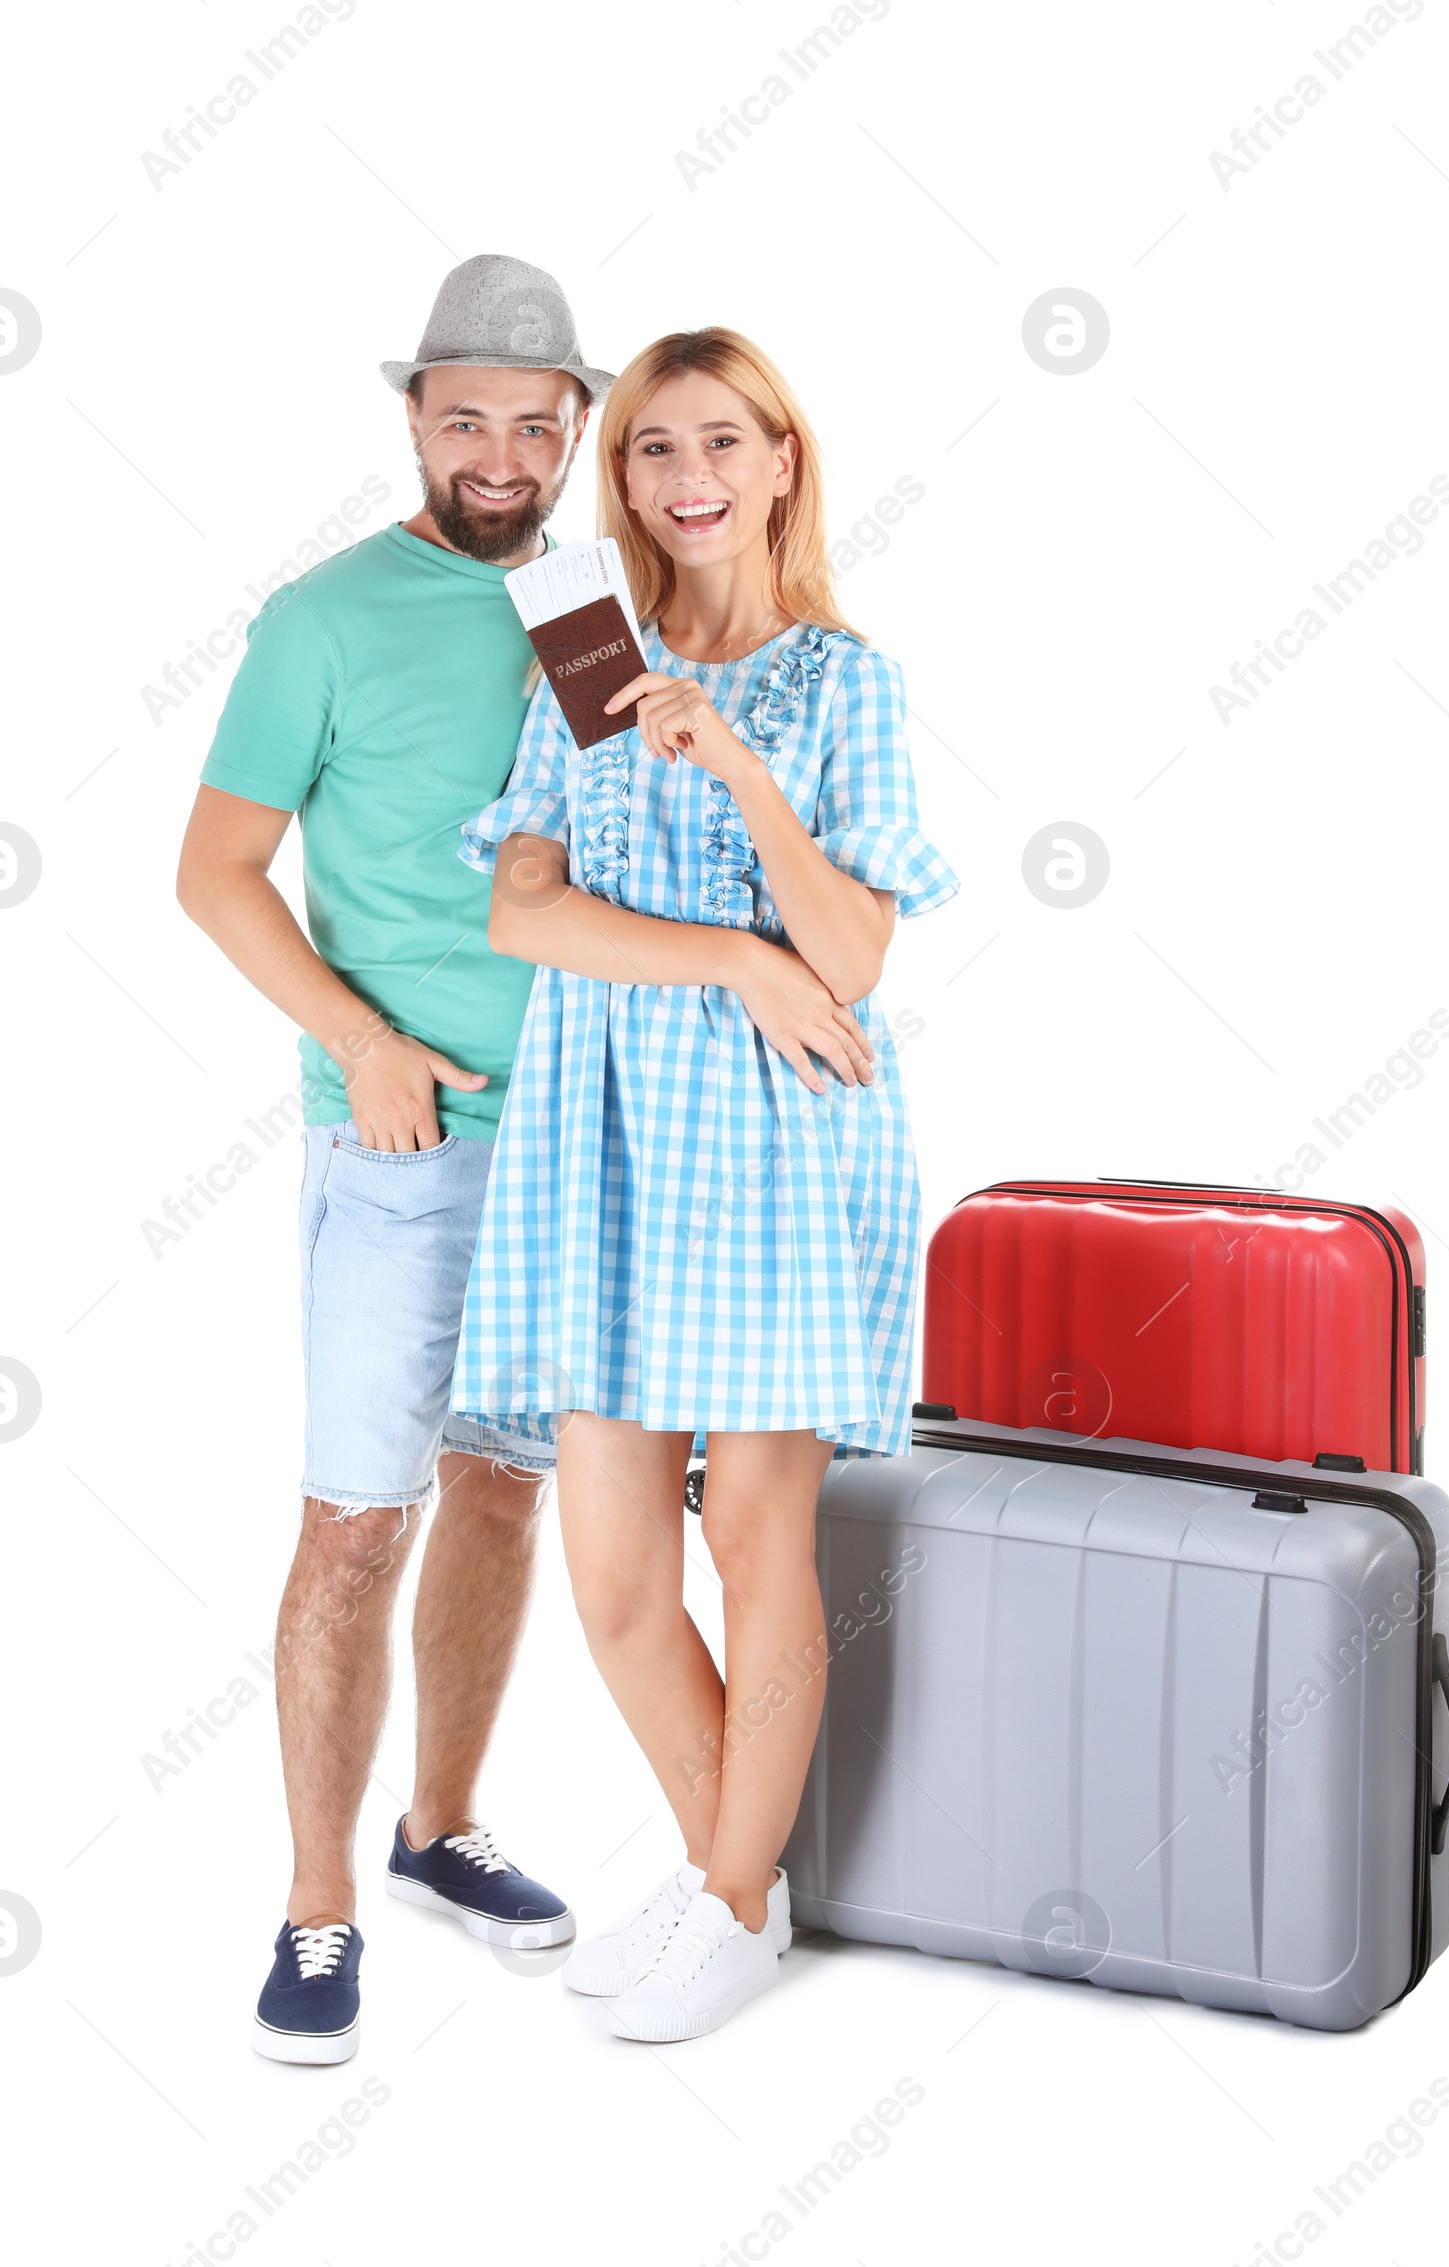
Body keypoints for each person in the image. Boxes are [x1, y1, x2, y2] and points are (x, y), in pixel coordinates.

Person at [451, 327, 959, 2042]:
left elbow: (858, 954)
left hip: (775, 1154)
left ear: (781, 463)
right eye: (656, 452)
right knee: (609, 1573)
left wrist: (737, 770)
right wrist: (733, 964)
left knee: (752, 1534)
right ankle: (732, 1878)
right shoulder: (578, 668)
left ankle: (730, 1903)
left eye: (722, 445)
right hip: (602, 1140)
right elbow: (526, 914)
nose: (688, 481)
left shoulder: (842, 684)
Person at [175, 255, 614, 2064]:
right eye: (465, 419)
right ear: (414, 420)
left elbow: (612, 868)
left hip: (580, 1144)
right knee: (357, 1524)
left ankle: (437, 1835)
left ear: (575, 428)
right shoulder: (324, 618)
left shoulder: (597, 609)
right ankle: (317, 1908)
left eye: (533, 421)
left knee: (501, 1491)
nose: (500, 454)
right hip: (406, 1145)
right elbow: (212, 872)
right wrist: (362, 1044)